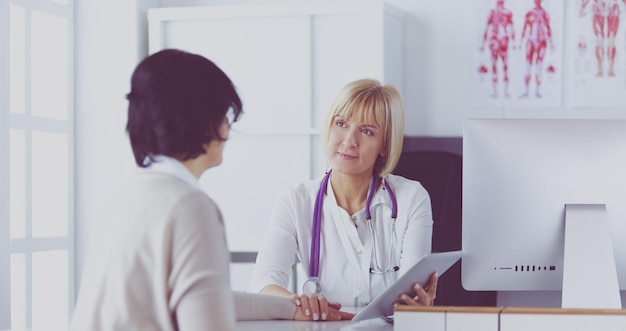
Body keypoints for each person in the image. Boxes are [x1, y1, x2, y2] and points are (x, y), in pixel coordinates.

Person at [69, 49, 352, 331]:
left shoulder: (128, 194)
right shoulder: (189, 207)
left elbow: (206, 296)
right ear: (199, 121)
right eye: (224, 114)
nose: (228, 127)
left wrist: (291, 309)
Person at [251, 78, 437, 316]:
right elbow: (264, 285)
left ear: (385, 145)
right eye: (341, 124)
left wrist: (419, 306)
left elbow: (410, 294)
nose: (349, 141)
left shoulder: (412, 199)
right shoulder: (296, 202)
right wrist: (302, 304)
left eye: (367, 131)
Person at [580, 0, 625, 77]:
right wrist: (582, 8)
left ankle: (609, 69)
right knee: (601, 39)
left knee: (610, 39)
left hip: (611, 8)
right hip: (600, 8)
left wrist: (583, 8)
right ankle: (601, 69)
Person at [480, 0, 516, 98]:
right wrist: (483, 43)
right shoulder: (492, 12)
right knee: (495, 66)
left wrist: (514, 42)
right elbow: (487, 28)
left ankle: (505, 92)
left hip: (502, 40)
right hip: (495, 40)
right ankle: (496, 92)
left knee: (504, 65)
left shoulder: (507, 13)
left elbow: (511, 28)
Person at [519, 0, 554, 98]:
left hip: (542, 41)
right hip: (531, 41)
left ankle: (537, 91)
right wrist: (521, 41)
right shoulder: (529, 13)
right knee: (528, 66)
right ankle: (526, 91)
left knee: (539, 67)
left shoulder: (545, 13)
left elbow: (548, 28)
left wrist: (551, 42)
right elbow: (525, 27)